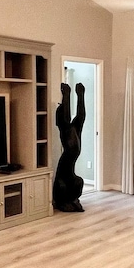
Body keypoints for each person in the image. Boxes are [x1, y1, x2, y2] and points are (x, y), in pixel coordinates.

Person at [53, 82, 85, 212]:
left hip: (70, 175)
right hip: (62, 180)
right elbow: (65, 115)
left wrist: (81, 95)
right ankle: (63, 202)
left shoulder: (76, 128)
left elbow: (81, 115)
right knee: (62, 184)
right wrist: (66, 94)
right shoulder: (64, 128)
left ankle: (73, 200)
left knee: (78, 181)